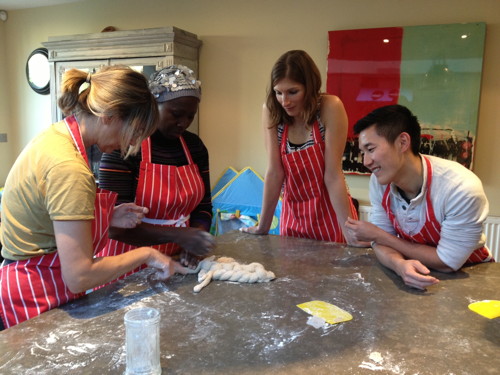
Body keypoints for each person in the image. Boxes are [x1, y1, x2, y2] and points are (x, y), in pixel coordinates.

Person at [0, 66, 193, 330]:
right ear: (109, 116)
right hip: (37, 292)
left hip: (34, 279)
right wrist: (147, 255)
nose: (131, 145)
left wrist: (108, 215)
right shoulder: (68, 167)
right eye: (134, 132)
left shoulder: (55, 137)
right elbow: (80, 275)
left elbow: (47, 215)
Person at [345, 104, 493, 290]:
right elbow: (380, 244)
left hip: (470, 277)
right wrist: (399, 265)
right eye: (362, 152)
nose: (366, 161)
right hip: (415, 273)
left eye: (371, 149)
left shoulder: (460, 188)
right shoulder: (381, 181)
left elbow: (447, 262)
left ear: (403, 142)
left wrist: (379, 236)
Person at [97, 65, 214, 270]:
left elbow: (203, 206)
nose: (183, 123)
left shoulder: (194, 147)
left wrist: (196, 237)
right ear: (153, 106)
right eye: (176, 114)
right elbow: (114, 226)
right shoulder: (124, 147)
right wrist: (181, 235)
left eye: (190, 116)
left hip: (177, 261)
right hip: (126, 264)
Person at [242, 50, 358, 243]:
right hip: (293, 214)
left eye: (293, 92)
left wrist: (350, 235)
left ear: (310, 86)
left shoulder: (330, 107)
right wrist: (263, 226)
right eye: (278, 92)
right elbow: (274, 172)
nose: (285, 101)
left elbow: (333, 175)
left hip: (331, 213)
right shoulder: (272, 110)